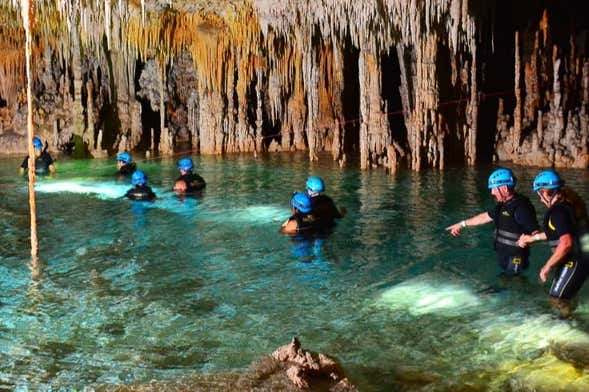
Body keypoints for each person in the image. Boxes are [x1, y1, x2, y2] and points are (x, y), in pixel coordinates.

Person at [518, 170, 589, 316]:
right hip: (580, 260)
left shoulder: (558, 212)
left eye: (539, 194)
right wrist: (533, 238)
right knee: (565, 297)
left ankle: (569, 330)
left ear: (545, 192)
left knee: (557, 299)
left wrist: (547, 266)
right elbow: (558, 233)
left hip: (574, 262)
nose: (540, 199)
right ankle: (570, 322)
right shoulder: (567, 206)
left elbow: (566, 242)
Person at [446, 168, 540, 275]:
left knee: (512, 283)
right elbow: (485, 217)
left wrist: (530, 239)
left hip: (516, 257)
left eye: (494, 189)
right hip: (504, 255)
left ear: (504, 188)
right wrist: (462, 224)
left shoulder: (521, 207)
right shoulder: (502, 204)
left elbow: (536, 232)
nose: (492, 192)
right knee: (506, 281)